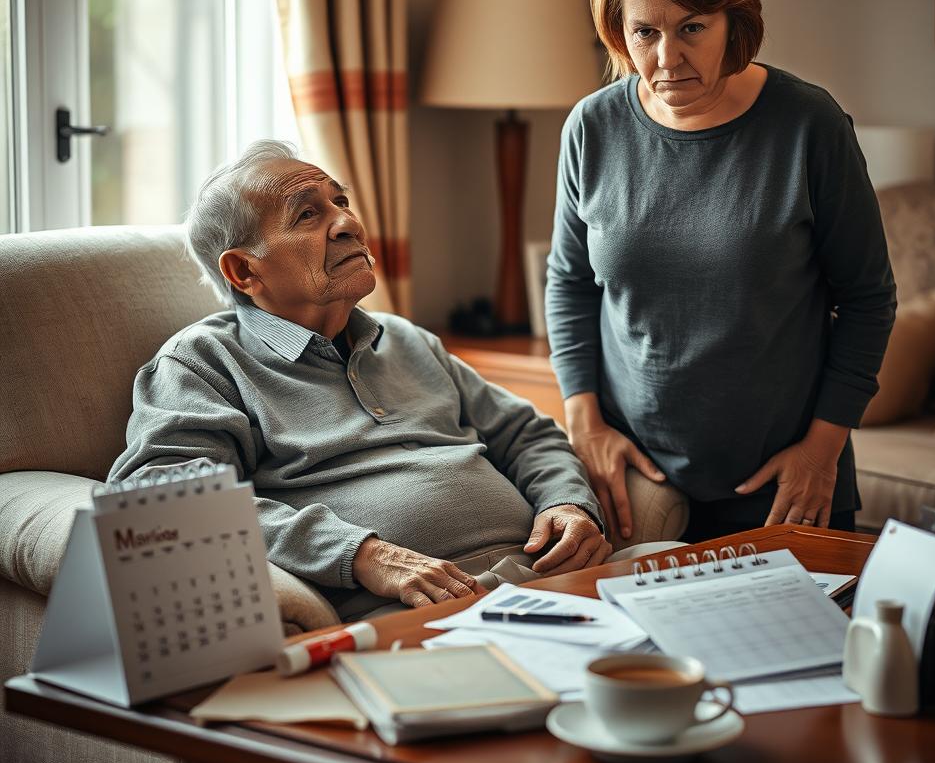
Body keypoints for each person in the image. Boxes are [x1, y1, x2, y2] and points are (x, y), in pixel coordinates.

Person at [109, 140, 613, 619]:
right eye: (308, 214)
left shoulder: (406, 339)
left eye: (341, 201)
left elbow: (526, 433)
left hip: (552, 577)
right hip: (419, 609)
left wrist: (567, 502)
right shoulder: (204, 362)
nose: (348, 222)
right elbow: (165, 498)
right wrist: (361, 555)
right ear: (243, 271)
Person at [546, 0, 896, 544]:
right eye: (644, 31)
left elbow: (868, 300)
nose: (666, 58)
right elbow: (569, 282)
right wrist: (584, 422)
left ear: (735, 21)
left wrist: (821, 453)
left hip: (784, 484)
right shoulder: (591, 128)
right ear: (617, 32)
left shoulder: (808, 125)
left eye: (692, 28)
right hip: (636, 486)